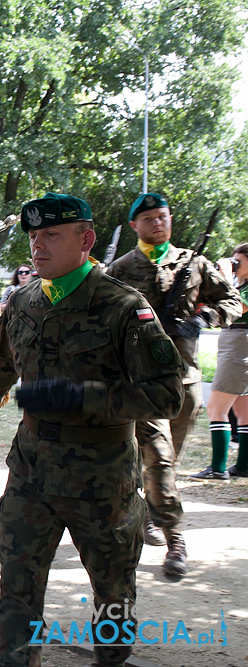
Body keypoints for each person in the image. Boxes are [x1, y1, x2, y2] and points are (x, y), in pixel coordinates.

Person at [0, 192, 184, 667]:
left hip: (102, 480)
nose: (38, 246)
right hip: (30, 472)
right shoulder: (24, 300)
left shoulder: (121, 306)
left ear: (85, 239)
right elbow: (4, 360)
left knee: (113, 592)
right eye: (33, 236)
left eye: (51, 235)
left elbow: (166, 395)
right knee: (17, 587)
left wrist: (84, 398)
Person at [107, 192, 240, 577]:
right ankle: (175, 539)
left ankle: (151, 507)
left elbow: (233, 300)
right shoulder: (120, 268)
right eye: (148, 218)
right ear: (135, 225)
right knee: (159, 457)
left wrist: (206, 318)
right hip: (144, 381)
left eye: (162, 216)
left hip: (186, 379)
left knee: (167, 461)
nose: (157, 223)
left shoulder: (194, 263)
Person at [195, 242, 248, 480]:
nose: (234, 265)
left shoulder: (242, 290)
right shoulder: (241, 285)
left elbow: (236, 307)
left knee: (216, 408)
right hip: (237, 345)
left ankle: (217, 468)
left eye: (239, 261)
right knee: (243, 411)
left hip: (239, 347)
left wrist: (226, 277)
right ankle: (244, 466)